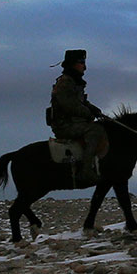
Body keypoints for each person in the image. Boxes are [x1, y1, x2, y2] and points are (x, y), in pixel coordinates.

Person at [48, 49, 109, 180]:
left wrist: (95, 110)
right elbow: (71, 106)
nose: (84, 67)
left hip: (74, 122)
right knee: (95, 130)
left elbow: (82, 102)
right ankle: (86, 170)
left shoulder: (74, 82)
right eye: (81, 62)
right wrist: (89, 114)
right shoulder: (65, 82)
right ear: (72, 64)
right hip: (65, 125)